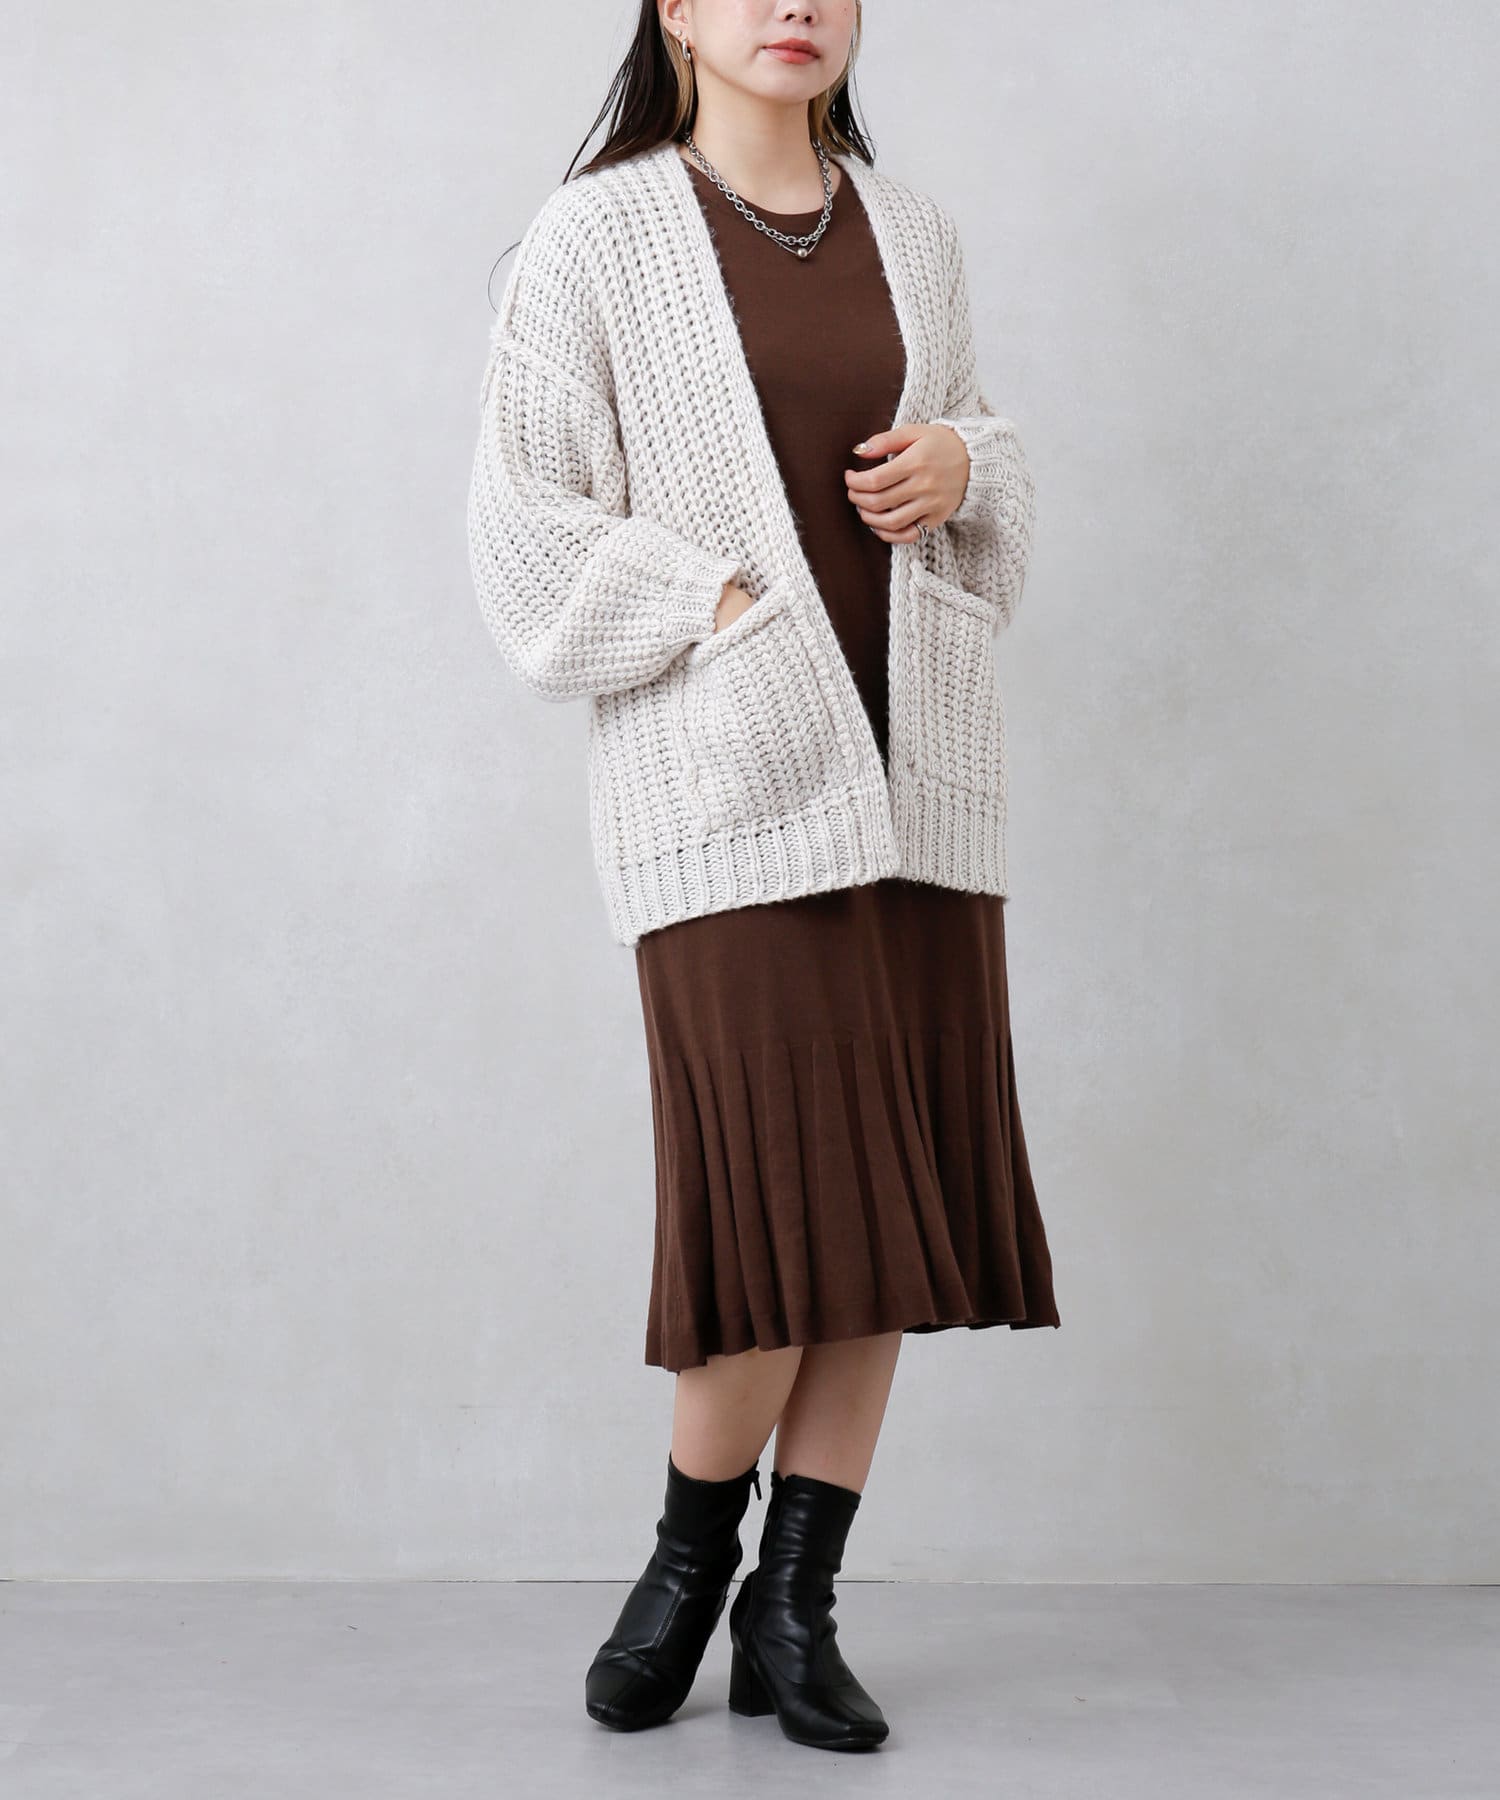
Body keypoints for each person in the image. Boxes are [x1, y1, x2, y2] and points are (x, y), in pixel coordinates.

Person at [466, 0, 1058, 1754]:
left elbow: (984, 472)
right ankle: (684, 1566)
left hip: (923, 781)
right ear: (674, 9)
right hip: (729, 792)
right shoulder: (595, 236)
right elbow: (524, 537)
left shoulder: (913, 232)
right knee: (773, 1211)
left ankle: (796, 1605)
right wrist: (718, 606)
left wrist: (968, 466)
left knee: (886, 1209)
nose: (790, 4)